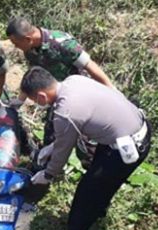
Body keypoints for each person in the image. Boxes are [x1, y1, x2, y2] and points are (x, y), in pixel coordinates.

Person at [21, 66, 152, 230]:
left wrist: (47, 174)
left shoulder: (64, 113)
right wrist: (51, 147)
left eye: (35, 100)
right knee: (100, 182)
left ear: (41, 96)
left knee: (86, 193)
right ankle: (98, 212)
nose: (38, 104)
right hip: (136, 130)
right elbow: (69, 134)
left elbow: (63, 153)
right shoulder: (74, 81)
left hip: (128, 148)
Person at [6, 17, 114, 145]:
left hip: (80, 94)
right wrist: (20, 100)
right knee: (52, 136)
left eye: (16, 44)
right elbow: (34, 75)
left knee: (86, 139)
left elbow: (89, 66)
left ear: (28, 39)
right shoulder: (29, 50)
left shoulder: (61, 43)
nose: (16, 47)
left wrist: (111, 91)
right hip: (56, 94)